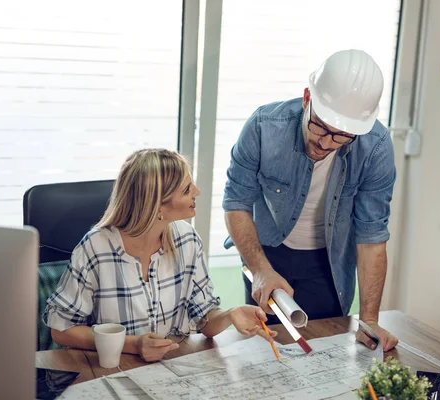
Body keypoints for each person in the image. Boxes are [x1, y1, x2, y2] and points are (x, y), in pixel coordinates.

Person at [222, 49, 398, 352]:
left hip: (327, 261)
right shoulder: (264, 126)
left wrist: (369, 321)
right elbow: (236, 202)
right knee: (263, 347)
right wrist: (261, 270)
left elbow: (371, 239)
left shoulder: (375, 149)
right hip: (265, 250)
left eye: (342, 136)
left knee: (322, 348)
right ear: (307, 97)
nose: (326, 142)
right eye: (320, 126)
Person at [44, 148, 276, 362]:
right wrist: (133, 345)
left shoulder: (188, 239)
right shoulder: (96, 247)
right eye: (187, 189)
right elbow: (62, 329)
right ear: (157, 206)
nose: (197, 191)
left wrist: (230, 315)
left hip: (172, 367)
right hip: (111, 368)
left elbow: (204, 319)